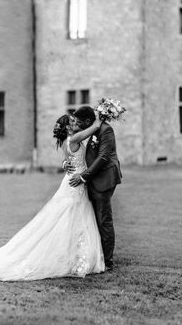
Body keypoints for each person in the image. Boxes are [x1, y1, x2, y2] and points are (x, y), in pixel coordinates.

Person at [0, 114, 105, 281]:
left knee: (70, 219)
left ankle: (74, 255)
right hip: (75, 184)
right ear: (69, 128)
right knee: (70, 218)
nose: (76, 122)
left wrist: (65, 163)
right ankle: (73, 257)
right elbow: (95, 127)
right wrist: (103, 114)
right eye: (72, 121)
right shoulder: (76, 137)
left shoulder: (66, 142)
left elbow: (68, 157)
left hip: (71, 182)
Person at [66, 105, 122, 272]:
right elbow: (76, 150)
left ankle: (108, 262)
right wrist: (66, 163)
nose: (76, 124)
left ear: (88, 121)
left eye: (79, 122)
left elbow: (103, 157)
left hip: (105, 178)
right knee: (95, 219)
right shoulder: (92, 129)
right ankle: (99, 256)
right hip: (93, 179)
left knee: (104, 219)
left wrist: (83, 176)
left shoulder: (106, 130)